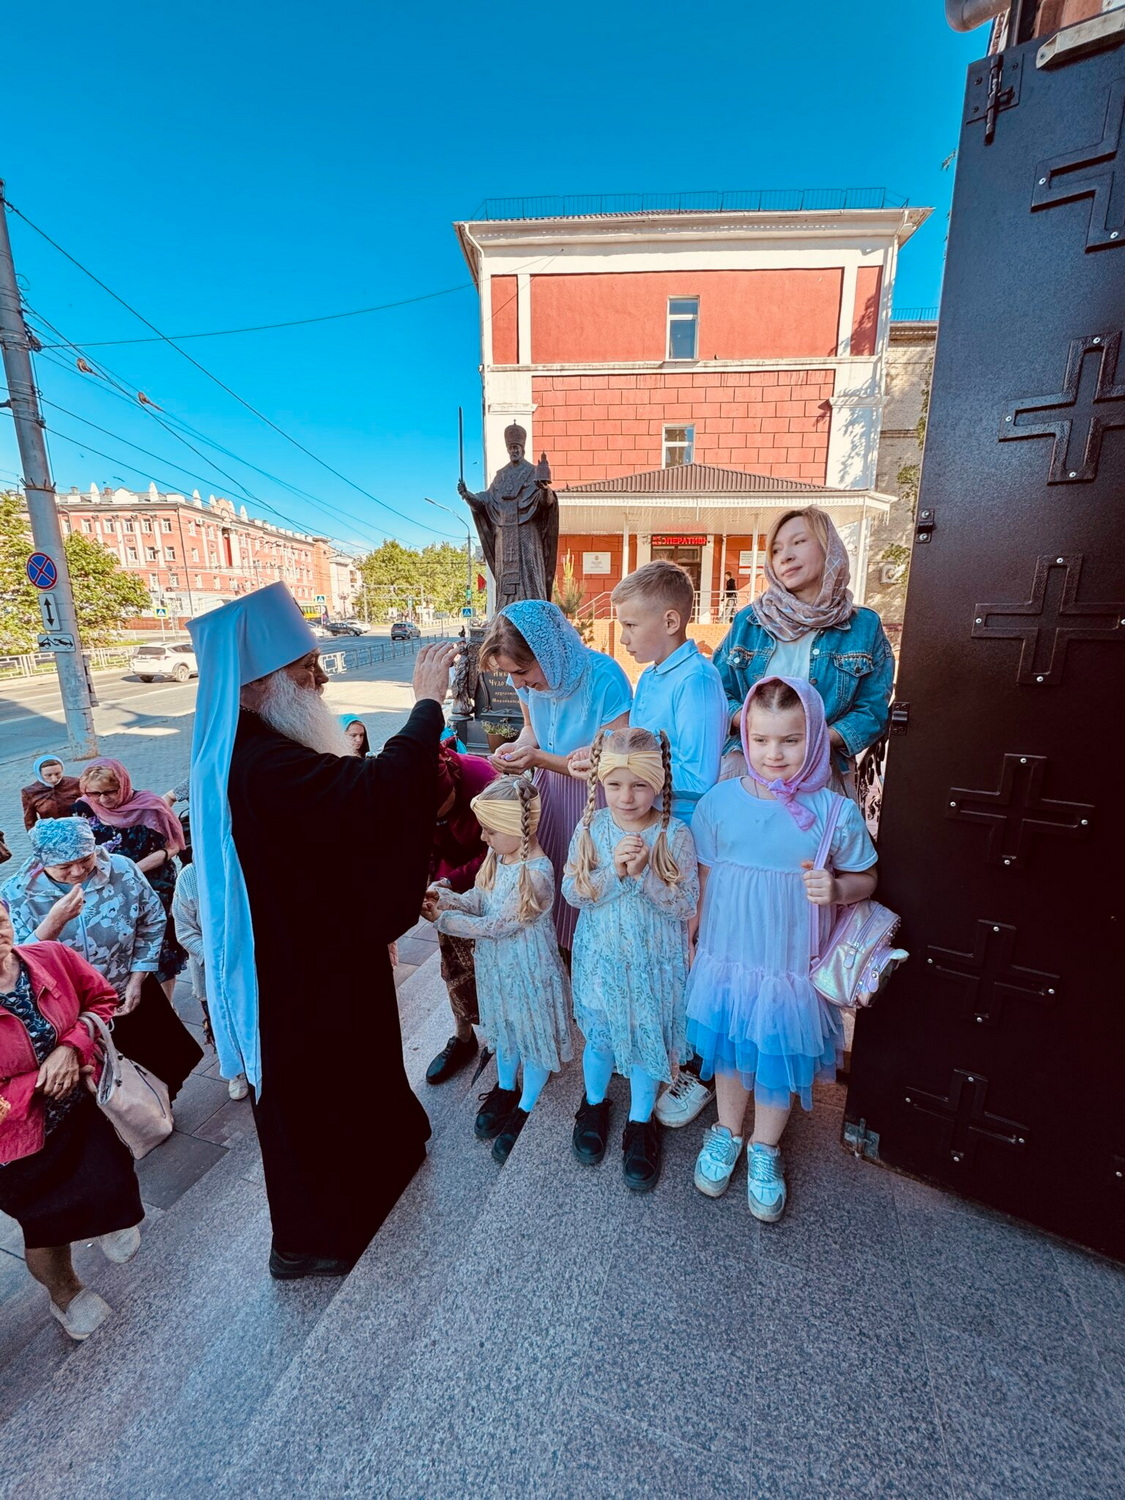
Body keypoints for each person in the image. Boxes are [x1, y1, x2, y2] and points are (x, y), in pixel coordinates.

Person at [187, 581, 456, 1280]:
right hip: (297, 976)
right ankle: (316, 1239)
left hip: (324, 947)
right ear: (255, 686)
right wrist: (425, 705)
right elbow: (371, 798)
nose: (322, 682)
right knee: (321, 1097)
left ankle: (390, 1155)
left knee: (358, 1068)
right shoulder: (260, 761)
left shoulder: (261, 741)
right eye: (307, 670)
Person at [685, 677, 878, 1222]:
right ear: (745, 736)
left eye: (791, 740)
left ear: (814, 737)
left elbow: (866, 877)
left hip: (790, 963)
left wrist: (837, 888)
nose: (774, 754)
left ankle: (764, 1146)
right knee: (728, 1043)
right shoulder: (720, 801)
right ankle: (726, 1130)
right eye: (761, 738)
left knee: (775, 1051)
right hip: (728, 952)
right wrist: (692, 936)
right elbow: (704, 873)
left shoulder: (835, 811)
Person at [0, 902, 144, 1341]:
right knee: (48, 1225)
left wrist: (71, 1047)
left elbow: (102, 999)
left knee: (110, 1173)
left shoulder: (50, 958)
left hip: (78, 1110)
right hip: (16, 1145)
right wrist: (38, 1083)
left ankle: (108, 1218)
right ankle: (65, 1294)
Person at [562, 728, 698, 1193]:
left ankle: (641, 1120)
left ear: (658, 781)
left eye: (639, 785)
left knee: (644, 1041)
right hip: (602, 961)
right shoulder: (592, 828)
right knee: (600, 1039)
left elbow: (686, 903)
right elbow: (573, 891)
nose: (626, 797)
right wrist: (614, 873)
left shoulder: (675, 834)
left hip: (651, 966)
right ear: (600, 781)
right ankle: (594, 1101)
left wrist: (643, 876)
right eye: (614, 784)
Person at [1, 818, 202, 1101]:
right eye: (64, 866)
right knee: (105, 1083)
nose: (78, 871)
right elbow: (17, 960)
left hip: (128, 987)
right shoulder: (16, 894)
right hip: (73, 1011)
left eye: (85, 859)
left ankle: (161, 1108)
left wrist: (138, 977)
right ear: (41, 862)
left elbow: (152, 919)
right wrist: (54, 923)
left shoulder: (121, 869)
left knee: (165, 1060)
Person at [432, 776, 571, 1165]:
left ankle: (527, 1103)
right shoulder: (499, 856)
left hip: (527, 970)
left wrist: (444, 919)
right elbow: (480, 900)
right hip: (498, 968)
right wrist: (447, 897)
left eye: (490, 830)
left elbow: (496, 926)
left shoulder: (537, 874)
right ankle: (506, 1086)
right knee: (506, 1029)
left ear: (516, 828)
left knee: (530, 1033)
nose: (483, 838)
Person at [480, 599, 631, 950]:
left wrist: (538, 758)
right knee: (552, 874)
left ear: (548, 652)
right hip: (550, 792)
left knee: (587, 877)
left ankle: (588, 957)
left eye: (522, 671)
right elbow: (531, 729)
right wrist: (517, 748)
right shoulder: (525, 683)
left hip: (594, 797)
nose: (517, 682)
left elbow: (608, 760)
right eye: (510, 674)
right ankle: (556, 955)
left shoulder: (605, 677)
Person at [713, 507, 894, 777]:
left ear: (828, 547)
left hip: (823, 772)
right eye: (776, 550)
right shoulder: (749, 621)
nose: (785, 556)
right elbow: (716, 692)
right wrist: (755, 724)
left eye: (798, 542)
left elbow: (873, 710)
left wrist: (817, 741)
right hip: (746, 768)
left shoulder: (863, 626)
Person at [568, 561, 727, 827]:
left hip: (681, 828)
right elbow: (642, 743)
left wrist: (619, 769)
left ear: (670, 622)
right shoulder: (649, 675)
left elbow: (699, 777)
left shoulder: (697, 679)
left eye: (631, 625)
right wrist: (604, 752)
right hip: (644, 823)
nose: (623, 638)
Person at [74, 759, 188, 1001]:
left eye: (109, 792)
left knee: (161, 945)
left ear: (123, 786)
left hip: (152, 884)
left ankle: (167, 1006)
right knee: (120, 942)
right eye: (94, 793)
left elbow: (173, 847)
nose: (102, 799)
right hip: (105, 886)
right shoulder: (83, 808)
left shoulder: (151, 807)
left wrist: (131, 870)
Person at [421, 742, 497, 1085]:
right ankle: (464, 1036)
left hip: (492, 872)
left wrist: (454, 880)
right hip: (447, 872)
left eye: (441, 810)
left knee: (496, 961)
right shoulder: (410, 794)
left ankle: (507, 1037)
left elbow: (500, 847)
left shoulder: (483, 779)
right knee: (453, 961)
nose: (436, 819)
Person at [171, 826, 248, 1102]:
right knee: (220, 1019)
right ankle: (235, 1070)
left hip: (247, 963)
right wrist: (216, 958)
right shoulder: (189, 878)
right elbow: (184, 930)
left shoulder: (239, 867)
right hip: (210, 969)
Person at [21, 756, 82, 830]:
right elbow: (30, 822)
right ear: (39, 774)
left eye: (57, 774)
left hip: (79, 829)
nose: (54, 779)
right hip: (51, 833)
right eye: (48, 775)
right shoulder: (30, 792)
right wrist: (36, 835)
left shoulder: (75, 783)